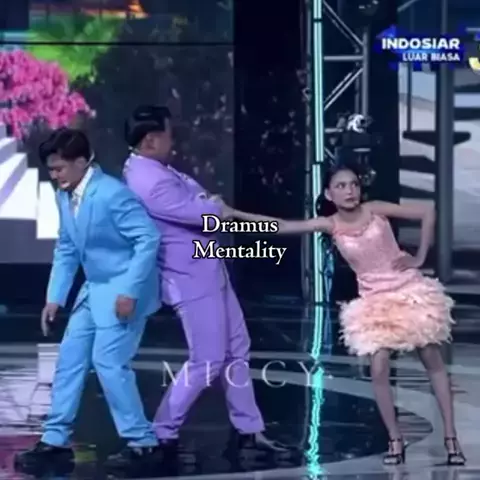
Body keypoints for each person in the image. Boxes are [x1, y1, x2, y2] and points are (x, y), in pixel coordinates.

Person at [226, 162, 466, 466]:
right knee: (378, 368)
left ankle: (451, 438)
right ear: (329, 193)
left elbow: (426, 211)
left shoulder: (374, 209)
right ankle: (395, 439)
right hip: (374, 302)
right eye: (341, 186)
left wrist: (419, 256)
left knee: (431, 358)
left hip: (408, 291)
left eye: (353, 184)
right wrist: (234, 214)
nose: (350, 191)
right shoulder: (330, 224)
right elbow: (281, 226)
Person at [122, 105, 284, 453]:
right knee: (207, 359)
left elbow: (201, 199)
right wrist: (213, 206)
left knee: (237, 349)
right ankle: (161, 431)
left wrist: (210, 205)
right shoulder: (148, 179)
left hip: (209, 269)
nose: (173, 141)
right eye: (169, 134)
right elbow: (205, 211)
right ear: (150, 140)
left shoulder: (157, 169)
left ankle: (248, 428)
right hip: (190, 278)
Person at [15, 128, 162, 471]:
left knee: (108, 363)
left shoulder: (112, 194)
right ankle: (54, 440)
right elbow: (67, 248)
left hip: (125, 291)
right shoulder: (64, 196)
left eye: (59, 169)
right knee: (69, 361)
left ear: (82, 162)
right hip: (93, 291)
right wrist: (55, 297)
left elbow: (148, 239)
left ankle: (143, 443)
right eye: (51, 170)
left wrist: (129, 291)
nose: (54, 176)